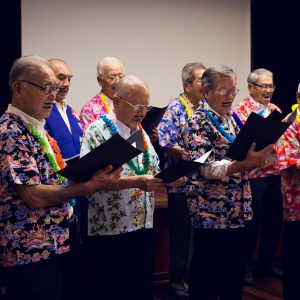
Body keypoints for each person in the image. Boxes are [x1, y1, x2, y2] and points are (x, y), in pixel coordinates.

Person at [0, 55, 122, 300]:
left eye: (54, 89)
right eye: (45, 88)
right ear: (18, 87)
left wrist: (91, 171)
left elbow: (53, 178)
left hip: (53, 244)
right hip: (30, 252)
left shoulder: (35, 127)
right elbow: (33, 194)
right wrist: (89, 185)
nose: (52, 96)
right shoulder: (11, 131)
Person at [180, 64, 273, 300]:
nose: (230, 97)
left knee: (234, 277)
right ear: (205, 92)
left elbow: (243, 155)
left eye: (233, 91)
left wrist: (262, 156)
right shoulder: (197, 123)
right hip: (212, 214)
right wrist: (245, 164)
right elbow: (207, 168)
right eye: (224, 91)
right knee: (207, 280)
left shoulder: (232, 118)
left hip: (238, 210)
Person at [80, 75, 165, 300]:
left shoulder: (140, 131)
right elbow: (92, 180)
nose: (141, 111)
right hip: (111, 228)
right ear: (116, 101)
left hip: (142, 223)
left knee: (140, 287)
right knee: (114, 289)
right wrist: (136, 182)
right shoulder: (97, 131)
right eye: (136, 105)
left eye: (145, 106)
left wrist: (167, 177)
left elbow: (150, 166)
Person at [158, 62, 206, 299]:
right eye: (201, 80)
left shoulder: (206, 106)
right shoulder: (175, 108)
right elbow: (166, 143)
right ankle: (177, 280)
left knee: (200, 235)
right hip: (181, 183)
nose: (206, 84)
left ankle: (196, 277)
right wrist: (189, 154)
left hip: (204, 182)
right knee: (181, 235)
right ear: (187, 85)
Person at [234, 68, 283, 285]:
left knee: (273, 222)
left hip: (275, 173)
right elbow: (242, 142)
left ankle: (267, 262)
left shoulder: (275, 109)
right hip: (253, 176)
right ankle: (244, 266)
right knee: (252, 224)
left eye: (270, 86)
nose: (268, 90)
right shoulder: (241, 110)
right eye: (263, 86)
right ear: (251, 87)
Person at [45, 58, 87, 300]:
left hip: (79, 191)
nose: (67, 82)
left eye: (69, 78)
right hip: (58, 193)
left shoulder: (70, 111)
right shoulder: (45, 112)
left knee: (77, 260)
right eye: (61, 77)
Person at [275, 82, 300, 300]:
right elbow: (291, 161)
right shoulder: (288, 123)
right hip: (297, 206)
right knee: (295, 260)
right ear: (298, 96)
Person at [79, 56, 125, 131]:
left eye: (120, 77)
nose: (118, 81)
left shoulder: (128, 104)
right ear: (100, 80)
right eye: (112, 78)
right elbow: (88, 139)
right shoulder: (89, 110)